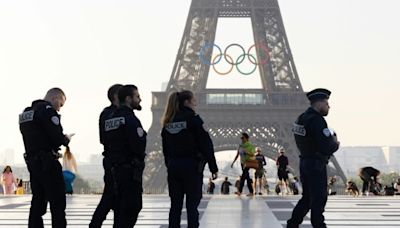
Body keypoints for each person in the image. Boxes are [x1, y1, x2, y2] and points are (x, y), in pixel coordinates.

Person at [161, 90, 218, 228]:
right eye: (194, 100)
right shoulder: (194, 119)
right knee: (192, 206)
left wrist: (170, 164)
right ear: (186, 102)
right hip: (191, 166)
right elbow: (206, 144)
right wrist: (213, 166)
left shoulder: (168, 121)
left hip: (174, 166)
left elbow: (165, 149)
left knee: (175, 206)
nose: (196, 103)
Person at [19, 87, 73, 227]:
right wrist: (65, 139)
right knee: (58, 201)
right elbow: (56, 137)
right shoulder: (47, 110)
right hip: (48, 162)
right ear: (55, 98)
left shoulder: (26, 113)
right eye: (60, 104)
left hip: (33, 163)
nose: (59, 109)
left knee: (38, 201)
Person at [287, 88, 340, 228]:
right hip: (316, 164)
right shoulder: (317, 121)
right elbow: (325, 146)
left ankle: (292, 225)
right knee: (319, 198)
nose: (329, 106)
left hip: (304, 161)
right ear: (319, 104)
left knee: (307, 198)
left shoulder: (301, 118)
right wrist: (335, 144)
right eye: (327, 103)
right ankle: (319, 225)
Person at [103, 84, 146, 227]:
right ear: (128, 99)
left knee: (120, 209)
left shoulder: (110, 119)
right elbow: (138, 145)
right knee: (132, 207)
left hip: (115, 169)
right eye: (137, 96)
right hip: (129, 170)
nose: (140, 100)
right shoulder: (130, 119)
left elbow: (105, 141)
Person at [90, 84, 122, 228]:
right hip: (120, 161)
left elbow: (102, 139)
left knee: (110, 197)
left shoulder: (105, 114)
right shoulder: (121, 114)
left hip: (109, 159)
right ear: (116, 96)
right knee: (113, 198)